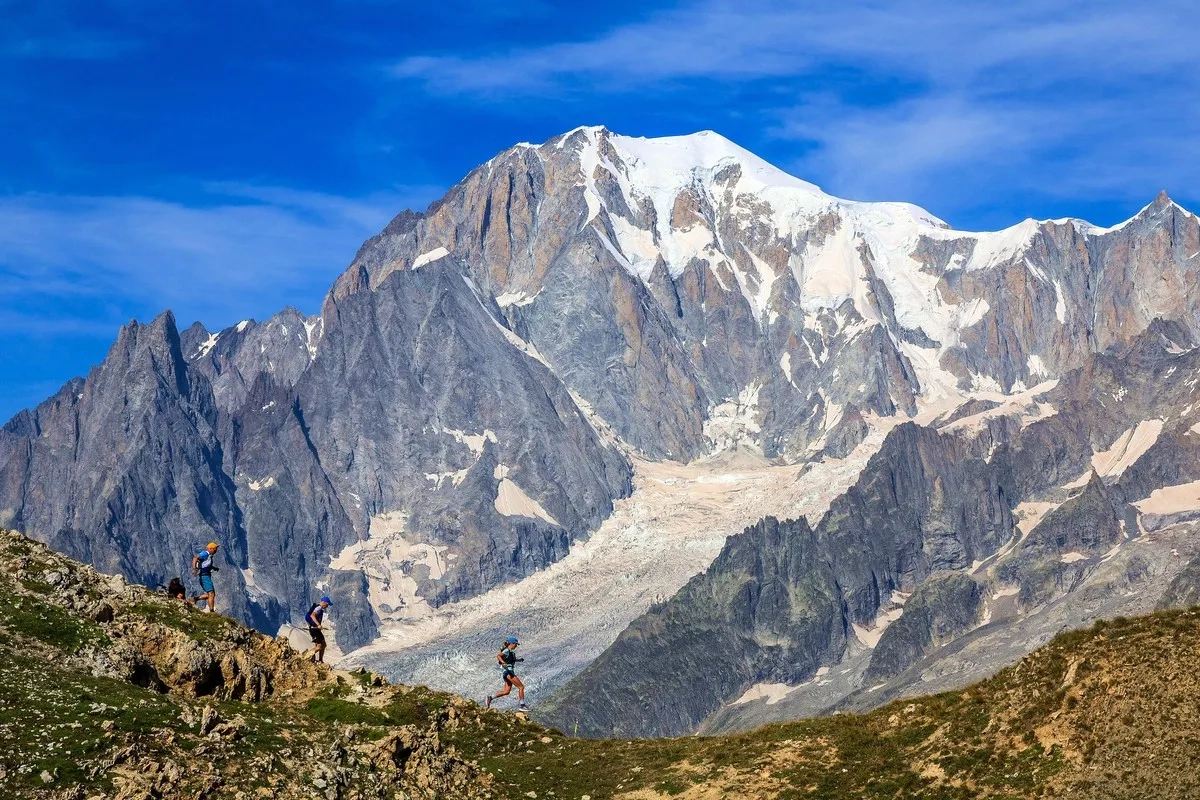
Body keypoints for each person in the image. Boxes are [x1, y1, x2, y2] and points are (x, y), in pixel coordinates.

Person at [485, 636, 526, 711]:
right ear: (512, 643)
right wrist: (503, 663)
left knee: (506, 692)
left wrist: (518, 660)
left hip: (506, 673)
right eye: (516, 644)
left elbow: (510, 660)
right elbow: (499, 655)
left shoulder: (510, 652)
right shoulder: (507, 650)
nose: (516, 646)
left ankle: (490, 698)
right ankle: (522, 706)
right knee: (521, 687)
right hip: (509, 672)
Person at [190, 542, 220, 613]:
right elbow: (195, 558)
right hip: (204, 576)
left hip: (206, 576)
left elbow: (205, 564)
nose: (216, 550)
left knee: (211, 594)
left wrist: (213, 568)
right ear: (211, 549)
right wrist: (194, 569)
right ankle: (212, 612)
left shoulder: (209, 556)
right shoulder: (205, 553)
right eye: (215, 549)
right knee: (211, 594)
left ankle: (195, 599)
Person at [304, 596, 333, 663]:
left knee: (323, 644)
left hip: (316, 629)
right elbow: (312, 615)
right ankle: (306, 656)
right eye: (327, 604)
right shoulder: (318, 608)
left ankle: (320, 660)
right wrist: (318, 625)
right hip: (314, 630)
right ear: (324, 603)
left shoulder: (318, 608)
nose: (327, 606)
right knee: (319, 647)